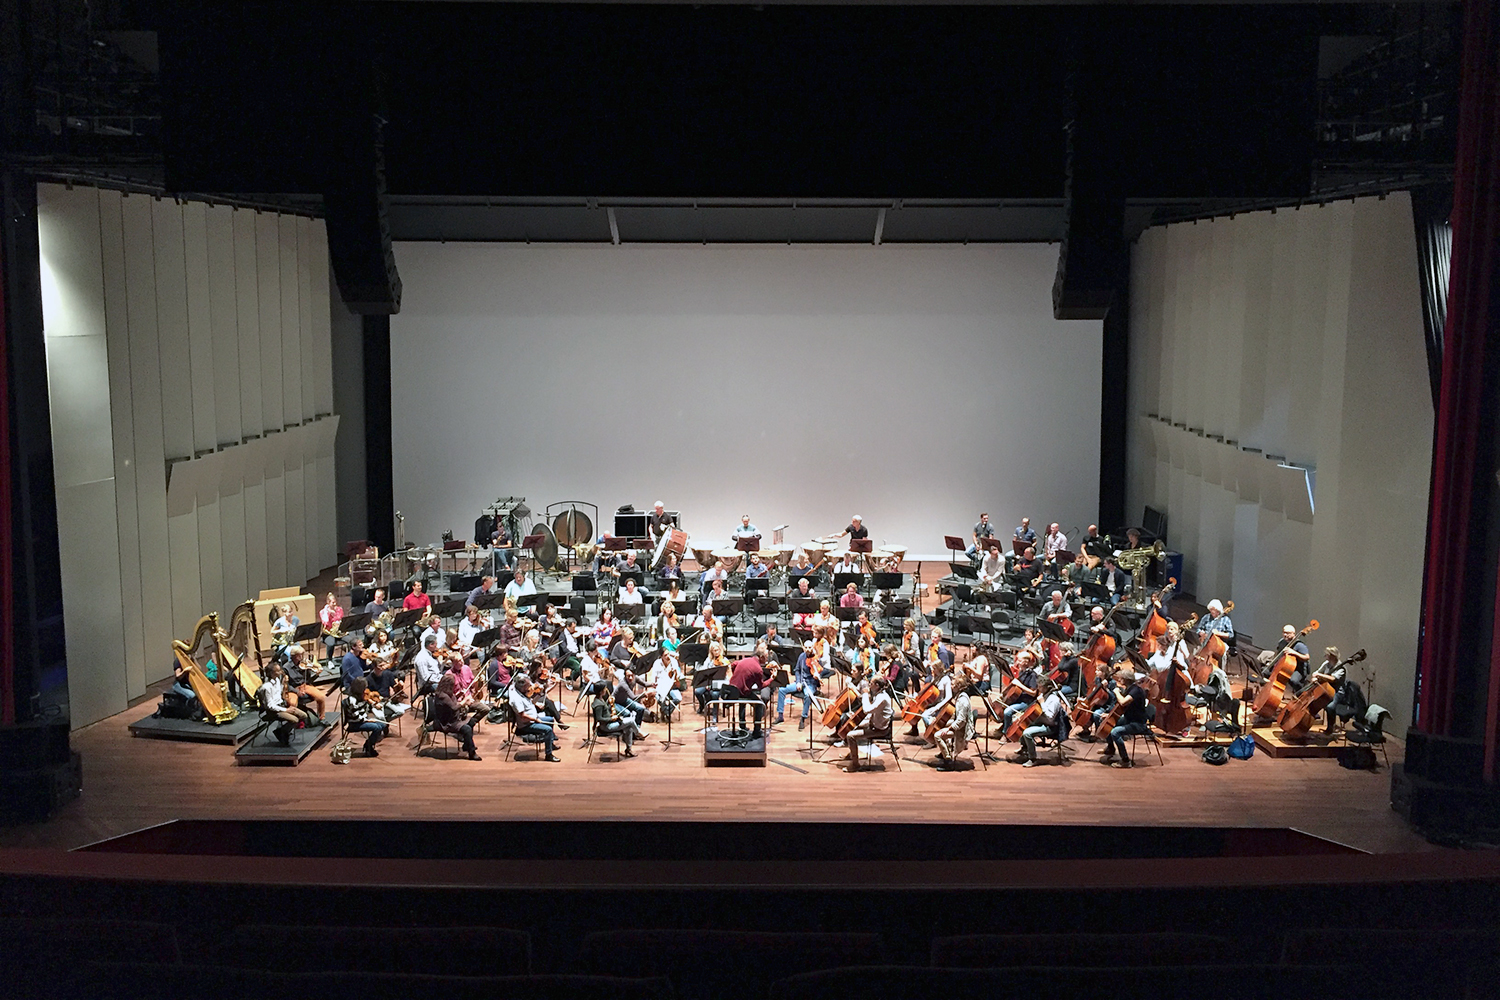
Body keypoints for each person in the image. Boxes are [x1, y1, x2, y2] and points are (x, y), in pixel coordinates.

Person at [844, 674, 894, 771]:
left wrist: (866, 694)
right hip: (874, 723)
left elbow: (867, 710)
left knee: (850, 735)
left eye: (871, 683)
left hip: (879, 729)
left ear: (877, 685)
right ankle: (852, 754)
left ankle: (855, 764)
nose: (869, 685)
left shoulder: (882, 698)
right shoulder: (879, 694)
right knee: (853, 726)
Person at [934, 663, 981, 765]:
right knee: (938, 724)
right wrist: (938, 720)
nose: (950, 686)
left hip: (962, 730)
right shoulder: (960, 696)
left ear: (958, 687)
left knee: (938, 735)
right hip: (959, 725)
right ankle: (944, 751)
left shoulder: (963, 700)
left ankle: (948, 760)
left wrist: (948, 729)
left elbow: (961, 721)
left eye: (952, 684)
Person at [1101, 668, 1150, 768]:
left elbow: (1123, 702)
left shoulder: (1136, 690)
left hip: (1138, 723)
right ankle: (1110, 748)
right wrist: (1109, 715)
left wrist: (1116, 692)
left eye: (1121, 678)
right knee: (1108, 722)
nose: (1119, 680)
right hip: (1129, 719)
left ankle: (1125, 760)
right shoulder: (1129, 689)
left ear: (1126, 679)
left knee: (1115, 732)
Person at [429, 672, 482, 760]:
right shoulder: (442, 696)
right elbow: (453, 707)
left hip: (454, 719)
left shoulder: (447, 693)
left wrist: (458, 695)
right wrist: (464, 701)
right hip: (447, 723)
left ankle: (467, 745)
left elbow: (451, 703)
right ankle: (472, 753)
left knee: (471, 721)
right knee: (467, 729)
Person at [508, 675, 559, 761]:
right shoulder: (516, 699)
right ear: (522, 686)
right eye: (528, 685)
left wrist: (539, 696)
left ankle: (550, 744)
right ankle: (548, 755)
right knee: (548, 730)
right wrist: (535, 719)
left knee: (550, 719)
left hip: (532, 719)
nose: (530, 687)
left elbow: (529, 703)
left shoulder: (520, 691)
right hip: (526, 725)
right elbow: (522, 715)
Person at [259, 662, 312, 745]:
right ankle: (282, 733)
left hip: (282, 706)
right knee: (294, 720)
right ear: (272, 673)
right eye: (278, 671)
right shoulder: (267, 687)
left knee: (303, 715)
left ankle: (280, 731)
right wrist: (286, 710)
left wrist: (284, 684)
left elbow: (281, 695)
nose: (281, 672)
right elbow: (270, 706)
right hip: (273, 711)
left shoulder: (277, 680)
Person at [1019, 676, 1067, 767]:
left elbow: (1050, 717)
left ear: (1046, 687)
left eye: (1040, 687)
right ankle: (1025, 749)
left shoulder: (1054, 699)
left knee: (1027, 733)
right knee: (1023, 725)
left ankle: (1032, 759)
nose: (1038, 688)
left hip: (1050, 726)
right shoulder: (1043, 695)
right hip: (1042, 722)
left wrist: (1042, 703)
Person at [591, 680, 644, 756]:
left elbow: (605, 713)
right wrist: (612, 718)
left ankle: (628, 749)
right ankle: (638, 733)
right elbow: (600, 719)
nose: (606, 690)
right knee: (631, 721)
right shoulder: (598, 704)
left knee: (629, 727)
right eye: (605, 689)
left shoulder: (600, 699)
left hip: (609, 723)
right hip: (607, 727)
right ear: (601, 691)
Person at [777, 640, 822, 729]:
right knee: (781, 690)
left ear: (813, 647)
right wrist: (798, 682)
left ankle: (803, 718)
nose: (808, 649)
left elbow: (822, 671)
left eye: (810, 647)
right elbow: (797, 670)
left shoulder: (817, 659)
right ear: (803, 648)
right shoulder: (801, 656)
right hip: (801, 682)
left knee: (808, 695)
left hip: (810, 684)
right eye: (806, 647)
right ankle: (780, 715)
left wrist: (817, 676)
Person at [726, 649, 771, 736]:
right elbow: (761, 686)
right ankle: (757, 731)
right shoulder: (758, 669)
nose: (767, 659)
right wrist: (772, 678)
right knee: (759, 705)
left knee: (743, 701)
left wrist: (735, 675)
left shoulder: (745, 659)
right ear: (761, 657)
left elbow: (733, 664)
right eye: (766, 657)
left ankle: (742, 727)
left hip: (731, 689)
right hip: (741, 692)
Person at [342, 677, 389, 757]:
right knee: (376, 727)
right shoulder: (352, 700)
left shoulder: (363, 697)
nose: (366, 690)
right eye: (364, 688)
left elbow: (366, 709)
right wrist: (367, 720)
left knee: (382, 725)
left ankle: (369, 744)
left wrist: (374, 704)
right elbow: (355, 716)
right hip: (355, 723)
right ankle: (369, 747)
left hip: (363, 720)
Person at [282, 645, 329, 722]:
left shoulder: (304, 665)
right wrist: (297, 692)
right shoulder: (286, 667)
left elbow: (309, 681)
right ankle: (296, 721)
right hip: (293, 688)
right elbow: (286, 685)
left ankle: (321, 717)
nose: (302, 657)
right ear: (294, 656)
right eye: (300, 655)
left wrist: (316, 674)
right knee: (292, 703)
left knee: (321, 697)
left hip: (304, 686)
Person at [610, 663, 648, 727]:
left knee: (640, 708)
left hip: (624, 700)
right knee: (627, 713)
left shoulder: (635, 678)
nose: (630, 678)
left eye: (632, 675)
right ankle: (626, 731)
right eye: (628, 676)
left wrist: (653, 684)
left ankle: (636, 728)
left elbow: (645, 684)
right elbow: (633, 697)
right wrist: (644, 694)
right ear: (625, 676)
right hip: (615, 703)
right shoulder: (623, 684)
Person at [649, 649, 683, 721]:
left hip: (671, 687)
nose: (668, 656)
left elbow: (678, 676)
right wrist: (654, 683)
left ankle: (666, 711)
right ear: (661, 656)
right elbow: (653, 676)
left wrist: (676, 672)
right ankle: (666, 712)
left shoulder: (674, 662)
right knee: (660, 700)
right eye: (665, 655)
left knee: (678, 698)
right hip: (660, 687)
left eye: (668, 654)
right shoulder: (657, 663)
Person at [318, 593, 344, 664]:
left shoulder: (339, 609)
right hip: (328, 633)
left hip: (338, 632)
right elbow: (325, 623)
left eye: (335, 602)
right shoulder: (323, 612)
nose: (335, 604)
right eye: (333, 602)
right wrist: (330, 614)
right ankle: (329, 660)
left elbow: (340, 618)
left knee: (351, 639)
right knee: (331, 643)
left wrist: (334, 614)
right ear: (328, 603)